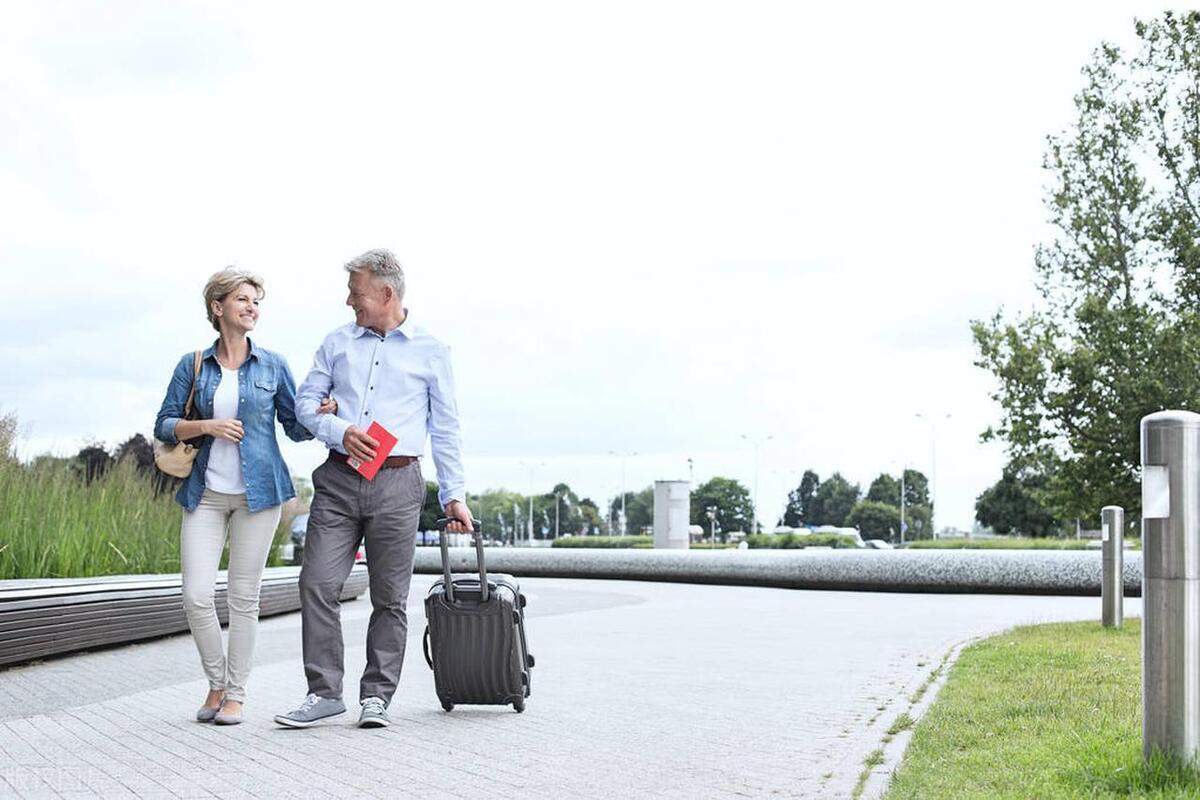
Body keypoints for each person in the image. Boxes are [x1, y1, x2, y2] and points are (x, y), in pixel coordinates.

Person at [275, 248, 473, 729]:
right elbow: (304, 405)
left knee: (389, 596)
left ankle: (376, 696)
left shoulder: (431, 350)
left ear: (387, 294)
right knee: (316, 583)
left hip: (399, 482)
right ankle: (324, 692)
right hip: (340, 479)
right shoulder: (336, 343)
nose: (349, 301)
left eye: (356, 292)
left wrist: (454, 494)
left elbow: (445, 427)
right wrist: (338, 430)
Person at [154, 267, 329, 725]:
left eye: (256, 302)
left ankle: (235, 694)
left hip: (260, 494)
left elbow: (293, 426)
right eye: (243, 300)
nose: (252, 308)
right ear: (218, 307)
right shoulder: (193, 364)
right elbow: (165, 424)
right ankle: (216, 682)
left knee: (242, 597)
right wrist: (207, 426)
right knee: (195, 596)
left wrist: (320, 412)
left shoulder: (272, 364)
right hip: (206, 494)